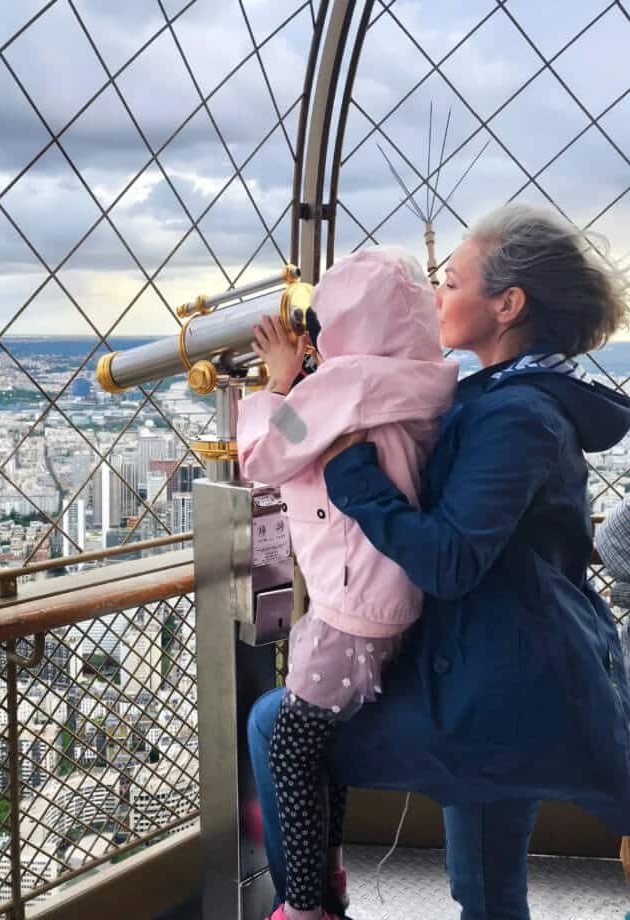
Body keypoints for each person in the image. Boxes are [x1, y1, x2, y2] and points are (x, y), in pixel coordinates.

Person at [246, 202, 630, 920]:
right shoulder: (508, 395)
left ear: (508, 305)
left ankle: (310, 904)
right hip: (515, 666)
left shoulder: (515, 417)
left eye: (451, 282)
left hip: (496, 686)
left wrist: (349, 470)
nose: (435, 297)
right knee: (485, 888)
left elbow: (450, 560)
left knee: (276, 727)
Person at [238, 247, 458, 920]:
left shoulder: (350, 383)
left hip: (350, 607)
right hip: (389, 597)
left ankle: (307, 907)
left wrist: (280, 386)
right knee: (318, 744)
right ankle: (325, 880)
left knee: (293, 747)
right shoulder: (422, 378)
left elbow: (268, 454)